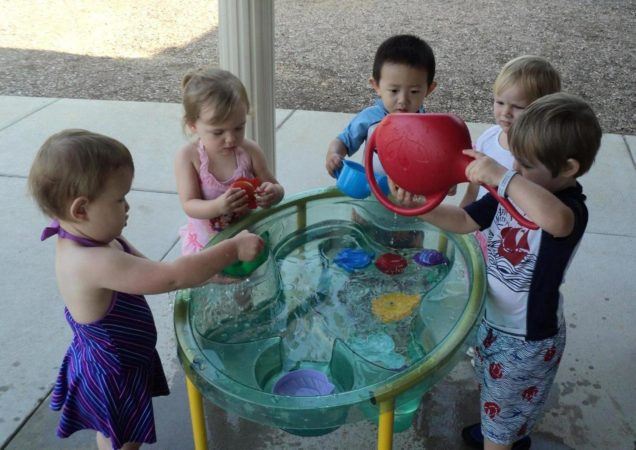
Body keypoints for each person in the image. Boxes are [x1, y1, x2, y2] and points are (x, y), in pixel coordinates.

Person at [389, 93, 601, 450]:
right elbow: (464, 219)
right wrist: (418, 209)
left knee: (505, 415)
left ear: (567, 169)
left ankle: (501, 437)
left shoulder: (568, 209)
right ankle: (501, 429)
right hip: (491, 320)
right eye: (513, 160)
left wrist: (503, 177)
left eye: (526, 165)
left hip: (527, 339)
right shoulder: (515, 190)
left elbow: (555, 222)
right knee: (497, 396)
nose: (515, 169)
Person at [28, 129, 264, 450]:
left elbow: (154, 272)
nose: (127, 206)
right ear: (80, 210)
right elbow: (169, 278)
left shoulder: (97, 239)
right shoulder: (89, 261)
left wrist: (208, 273)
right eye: (119, 198)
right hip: (115, 372)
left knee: (119, 432)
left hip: (125, 358)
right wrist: (232, 249)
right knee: (123, 439)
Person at [175, 67, 284, 255]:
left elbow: (276, 187)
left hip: (248, 242)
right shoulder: (189, 157)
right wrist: (218, 206)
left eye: (239, 128)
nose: (231, 139)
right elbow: (189, 204)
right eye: (218, 132)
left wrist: (272, 193)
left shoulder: (249, 151)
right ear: (192, 125)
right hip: (209, 248)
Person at [324, 34, 437, 178]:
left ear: (429, 89)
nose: (402, 100)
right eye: (394, 91)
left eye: (414, 91)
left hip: (412, 195)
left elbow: (437, 159)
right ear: (376, 85)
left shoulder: (429, 125)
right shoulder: (371, 118)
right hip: (373, 190)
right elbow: (343, 141)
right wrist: (333, 155)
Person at [460, 55, 561, 208]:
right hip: (480, 226)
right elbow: (473, 190)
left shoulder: (543, 155)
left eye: (518, 107)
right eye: (500, 102)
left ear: (545, 110)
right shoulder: (488, 138)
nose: (506, 112)